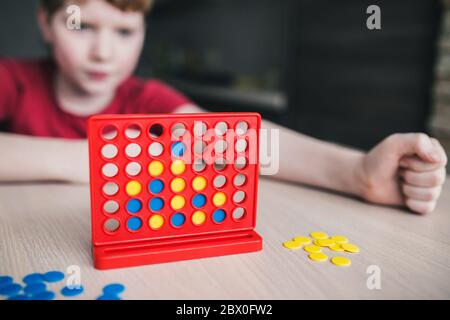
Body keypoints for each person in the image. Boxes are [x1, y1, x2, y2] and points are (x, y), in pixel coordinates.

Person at [0, 0, 447, 215]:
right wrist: (97, 159)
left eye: (123, 32)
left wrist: (356, 172)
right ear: (46, 22)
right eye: (82, 26)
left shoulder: (147, 100)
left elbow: (237, 141)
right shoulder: (13, 79)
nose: (102, 52)